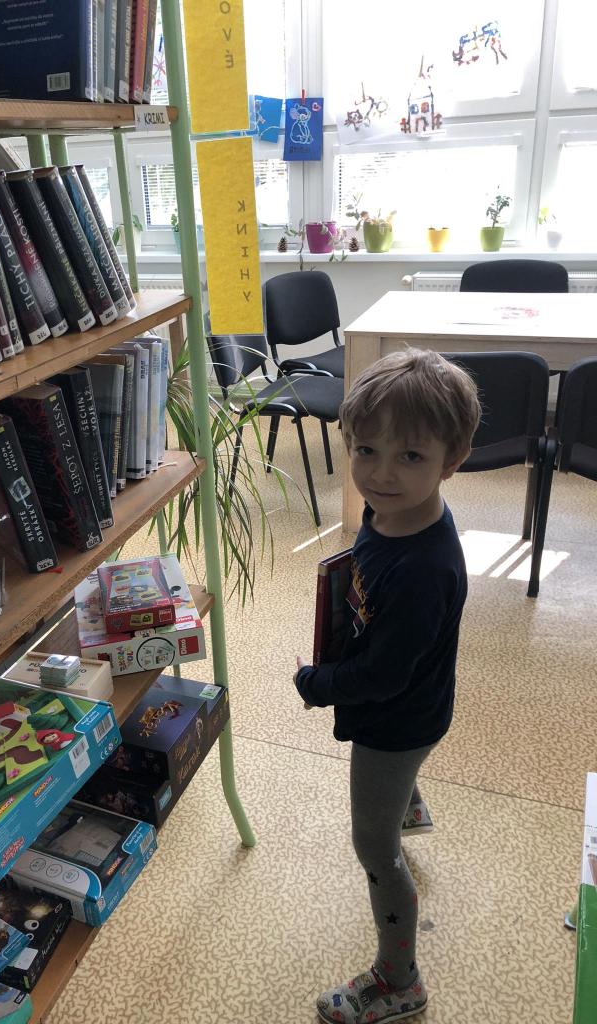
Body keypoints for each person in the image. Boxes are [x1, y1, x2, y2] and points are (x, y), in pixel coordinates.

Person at [293, 348, 481, 1024]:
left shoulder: (424, 571)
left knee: (374, 848)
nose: (380, 474)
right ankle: (408, 802)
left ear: (452, 461)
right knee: (396, 783)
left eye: (410, 456)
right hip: (421, 701)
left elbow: (382, 677)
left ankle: (398, 981)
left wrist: (317, 683)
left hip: (398, 722)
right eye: (366, 450)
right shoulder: (394, 514)